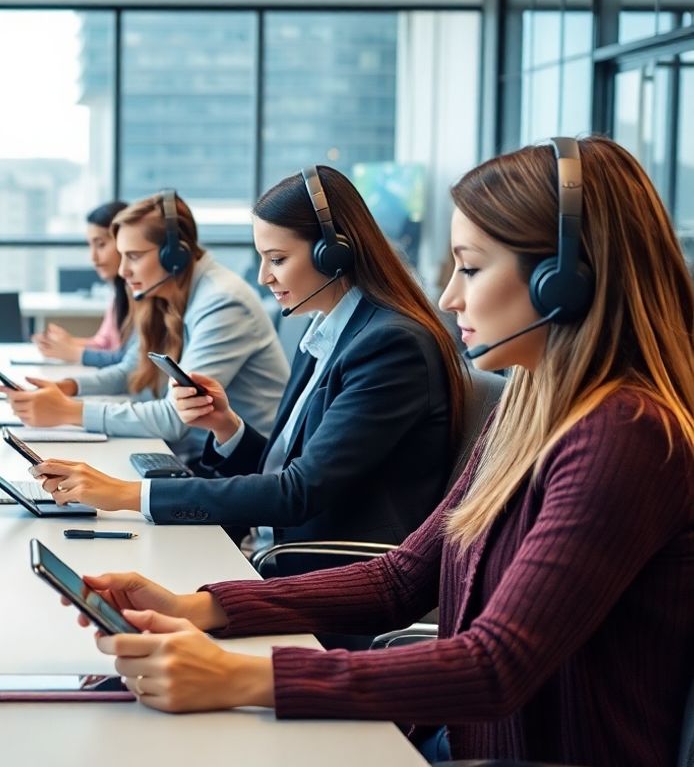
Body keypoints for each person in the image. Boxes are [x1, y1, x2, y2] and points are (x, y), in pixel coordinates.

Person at [58, 137, 693, 766]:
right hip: (455, 736)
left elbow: (496, 667)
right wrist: (200, 606)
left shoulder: (627, 436)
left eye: (470, 267)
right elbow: (403, 577)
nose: (449, 297)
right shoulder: (531, 406)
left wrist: (241, 678)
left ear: (566, 284)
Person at [30, 167, 466, 573]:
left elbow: (299, 492)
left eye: (277, 259)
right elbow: (292, 467)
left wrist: (127, 494)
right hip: (273, 541)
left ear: (333, 255)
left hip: (327, 568)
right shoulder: (325, 328)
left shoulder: (390, 345)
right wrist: (227, 426)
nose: (263, 277)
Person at [0, 190, 288, 463]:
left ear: (174, 256)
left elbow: (176, 418)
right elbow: (130, 371)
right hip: (195, 454)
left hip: (242, 467)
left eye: (133, 256)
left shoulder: (222, 302)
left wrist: (69, 411)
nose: (123, 271)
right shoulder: (166, 295)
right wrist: (68, 388)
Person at [31, 201, 131, 368]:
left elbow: (129, 360)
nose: (93, 257)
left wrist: (73, 352)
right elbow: (105, 344)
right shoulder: (119, 293)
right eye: (90, 246)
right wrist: (66, 343)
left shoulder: (139, 294)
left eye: (101, 244)